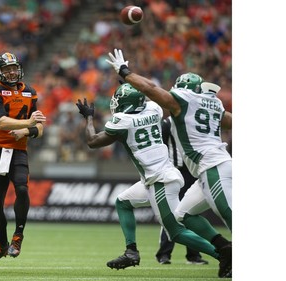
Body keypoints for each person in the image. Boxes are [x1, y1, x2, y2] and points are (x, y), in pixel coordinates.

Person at [76, 83, 231, 278]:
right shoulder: (154, 109)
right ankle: (131, 251)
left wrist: (89, 117)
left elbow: (92, 141)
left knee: (176, 232)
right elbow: (148, 98)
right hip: (156, 177)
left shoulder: (123, 121)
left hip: (160, 180)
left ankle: (225, 253)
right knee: (123, 202)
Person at [106, 49, 232, 277]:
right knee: (183, 215)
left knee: (230, 215)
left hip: (210, 166)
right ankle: (225, 249)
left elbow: (150, 90)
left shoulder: (181, 101)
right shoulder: (212, 103)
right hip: (202, 170)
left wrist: (125, 71)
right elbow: (230, 121)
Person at [0, 52, 46, 265]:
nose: (11, 72)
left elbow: (40, 128)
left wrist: (28, 131)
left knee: (22, 189)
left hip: (18, 151)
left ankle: (17, 237)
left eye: (14, 68)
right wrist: (28, 124)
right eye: (7, 69)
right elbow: (1, 122)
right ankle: (1, 244)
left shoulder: (30, 91)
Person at [156, 117, 208, 265]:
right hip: (174, 171)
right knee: (172, 212)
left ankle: (194, 255)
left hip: (193, 171)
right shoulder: (167, 123)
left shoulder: (194, 121)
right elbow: (160, 147)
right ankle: (164, 254)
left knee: (193, 212)